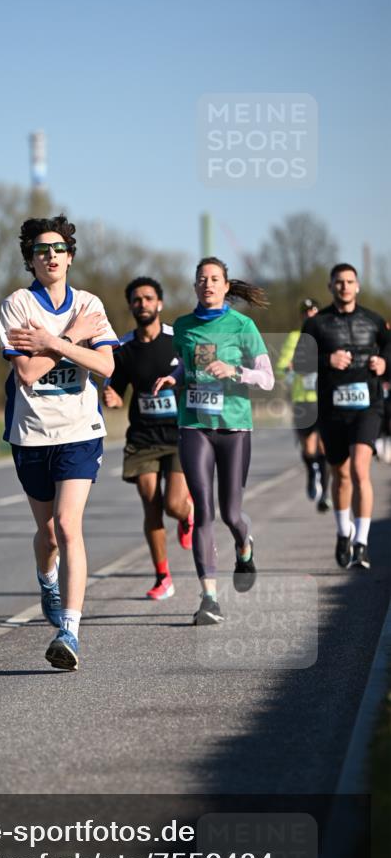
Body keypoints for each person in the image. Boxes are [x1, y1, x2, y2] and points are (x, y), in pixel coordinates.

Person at [0, 214, 117, 671]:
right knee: (47, 534)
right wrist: (69, 338)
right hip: (31, 434)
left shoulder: (90, 303)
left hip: (80, 432)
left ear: (70, 255)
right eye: (41, 249)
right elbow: (26, 373)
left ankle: (70, 630)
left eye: (58, 248)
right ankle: (47, 578)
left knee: (68, 526)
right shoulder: (16, 306)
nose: (50, 255)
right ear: (30, 258)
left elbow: (105, 366)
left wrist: (50, 343)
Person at [153, 257, 274, 626]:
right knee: (203, 511)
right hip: (194, 426)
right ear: (195, 287)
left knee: (231, 514)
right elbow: (185, 363)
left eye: (214, 279)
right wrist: (175, 377)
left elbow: (268, 379)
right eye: (201, 279)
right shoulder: (185, 327)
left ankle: (244, 545)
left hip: (234, 428)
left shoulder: (242, 325)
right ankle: (209, 598)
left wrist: (236, 370)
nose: (207, 284)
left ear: (225, 286)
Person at [293, 264, 391, 569]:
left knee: (361, 471)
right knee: (341, 475)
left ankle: (361, 543)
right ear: (330, 286)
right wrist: (326, 359)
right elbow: (299, 363)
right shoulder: (316, 324)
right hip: (332, 410)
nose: (345, 287)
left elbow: (390, 348)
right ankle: (342, 532)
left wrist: (384, 363)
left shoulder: (373, 320)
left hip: (367, 407)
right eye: (339, 282)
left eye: (349, 281)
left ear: (357, 286)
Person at [103, 276, 193, 600]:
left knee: (173, 504)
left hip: (180, 434)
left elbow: (197, 375)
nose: (143, 304)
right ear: (131, 305)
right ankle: (163, 576)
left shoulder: (177, 340)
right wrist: (111, 398)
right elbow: (115, 388)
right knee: (150, 504)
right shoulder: (124, 348)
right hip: (142, 438)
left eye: (148, 298)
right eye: (137, 299)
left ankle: (187, 514)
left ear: (160, 303)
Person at [277, 298, 331, 511]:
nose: (310, 315)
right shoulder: (294, 337)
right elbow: (281, 367)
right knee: (308, 449)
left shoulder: (327, 335)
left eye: (313, 311)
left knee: (323, 448)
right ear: (302, 316)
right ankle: (311, 472)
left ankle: (325, 494)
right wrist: (289, 367)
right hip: (302, 399)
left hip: (323, 399)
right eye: (306, 312)